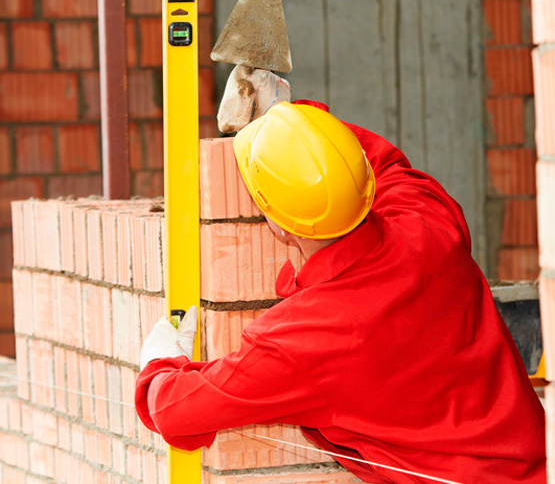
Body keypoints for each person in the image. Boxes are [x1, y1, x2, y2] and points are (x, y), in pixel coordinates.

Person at [135, 100, 546, 483]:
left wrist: (158, 362)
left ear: (279, 226)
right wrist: (294, 119)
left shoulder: (303, 339)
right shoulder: (429, 225)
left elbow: (174, 409)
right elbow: (382, 164)